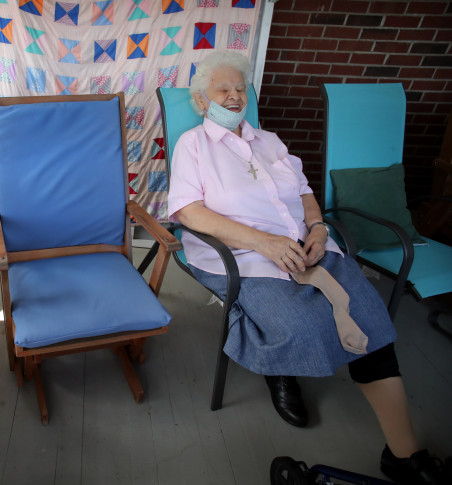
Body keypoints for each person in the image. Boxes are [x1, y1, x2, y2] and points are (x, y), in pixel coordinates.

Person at [168, 51, 449, 485]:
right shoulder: (194, 145)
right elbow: (188, 212)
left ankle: (404, 453)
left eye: (241, 88)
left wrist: (317, 228)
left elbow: (304, 193)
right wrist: (265, 242)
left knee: (369, 318)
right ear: (203, 102)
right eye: (223, 89)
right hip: (244, 256)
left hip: (307, 248)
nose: (235, 96)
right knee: (299, 324)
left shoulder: (271, 141)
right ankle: (283, 374)